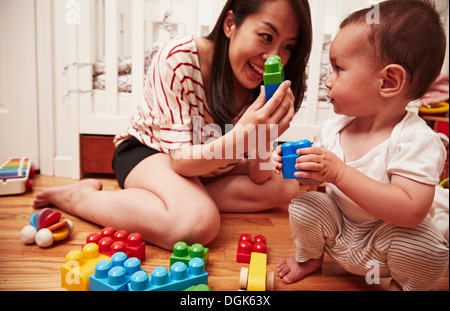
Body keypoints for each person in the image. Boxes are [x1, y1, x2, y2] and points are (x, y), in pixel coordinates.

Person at [33, 0, 313, 250]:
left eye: (288, 46)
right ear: (230, 24)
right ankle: (78, 197)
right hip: (153, 153)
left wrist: (265, 132)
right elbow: (180, 162)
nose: (275, 57)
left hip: (208, 167)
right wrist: (243, 135)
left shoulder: (265, 82)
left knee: (285, 188)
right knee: (198, 224)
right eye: (266, 37)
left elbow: (259, 175)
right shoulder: (179, 59)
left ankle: (173, 202)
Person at [274, 0, 449, 291]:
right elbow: (320, 179)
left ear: (389, 81)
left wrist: (339, 173)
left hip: (388, 241)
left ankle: (404, 284)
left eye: (339, 69)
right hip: (341, 232)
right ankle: (310, 258)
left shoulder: (416, 140)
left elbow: (411, 211)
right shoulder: (334, 127)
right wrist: (303, 171)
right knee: (304, 206)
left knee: (428, 250)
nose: (328, 82)